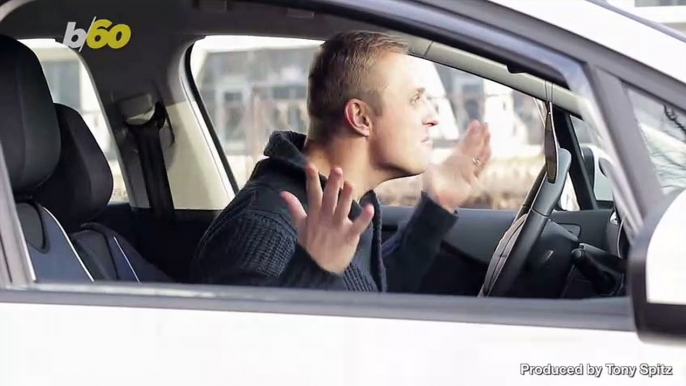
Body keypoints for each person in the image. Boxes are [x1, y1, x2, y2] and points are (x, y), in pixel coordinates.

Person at [191, 31, 491, 292]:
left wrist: (436, 207)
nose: (433, 118)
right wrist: (315, 269)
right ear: (361, 118)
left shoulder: (333, 207)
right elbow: (249, 349)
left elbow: (366, 299)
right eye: (414, 99)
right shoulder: (261, 226)